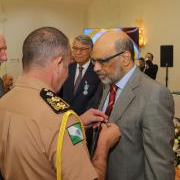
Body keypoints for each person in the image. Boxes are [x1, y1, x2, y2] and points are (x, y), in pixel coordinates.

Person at [0, 27, 121, 180]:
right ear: (58, 64)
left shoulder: (4, 102)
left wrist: (78, 122)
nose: (67, 73)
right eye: (67, 65)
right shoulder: (64, 120)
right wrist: (103, 146)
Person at [91, 30, 175, 180]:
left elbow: (159, 164)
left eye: (102, 61)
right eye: (93, 61)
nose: (96, 68)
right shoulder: (108, 85)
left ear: (125, 58)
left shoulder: (154, 94)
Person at [60, 35, 103, 115]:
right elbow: (59, 94)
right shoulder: (67, 68)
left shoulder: (97, 72)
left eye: (82, 49)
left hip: (85, 122)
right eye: (75, 48)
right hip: (64, 119)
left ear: (91, 50)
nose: (78, 53)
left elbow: (95, 102)